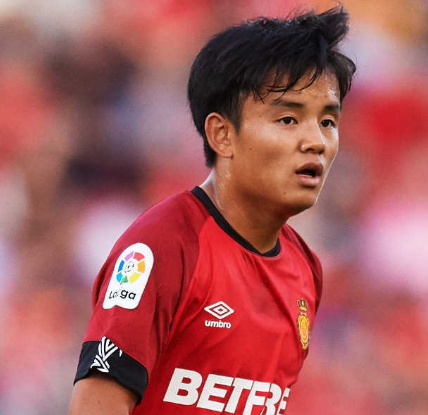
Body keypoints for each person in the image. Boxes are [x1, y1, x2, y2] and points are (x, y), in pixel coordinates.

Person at [68, 5, 355, 415]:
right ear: (222, 134)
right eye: (289, 119)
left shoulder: (305, 268)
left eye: (327, 122)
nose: (316, 142)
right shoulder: (165, 246)